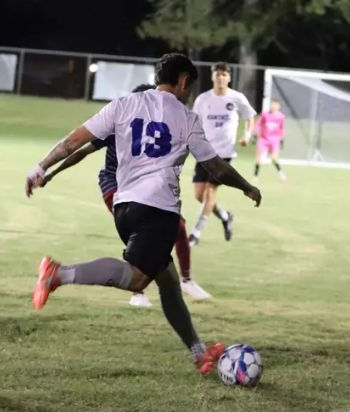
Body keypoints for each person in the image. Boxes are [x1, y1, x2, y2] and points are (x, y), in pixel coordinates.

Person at [25, 53, 261, 374]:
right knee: (137, 278)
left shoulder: (123, 105)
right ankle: (59, 274)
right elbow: (216, 168)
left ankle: (198, 352)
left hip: (124, 206)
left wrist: (41, 168)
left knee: (168, 281)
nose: (188, 93)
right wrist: (247, 187)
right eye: (189, 86)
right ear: (181, 82)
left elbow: (73, 141)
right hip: (158, 210)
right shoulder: (187, 118)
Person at [40, 84, 213, 304]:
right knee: (141, 230)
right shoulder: (121, 122)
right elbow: (81, 152)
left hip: (142, 189)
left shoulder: (157, 124)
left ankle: (185, 280)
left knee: (176, 227)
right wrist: (52, 173)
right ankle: (137, 292)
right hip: (115, 186)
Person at [188, 62, 256, 247]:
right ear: (212, 77)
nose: (220, 77)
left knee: (210, 192)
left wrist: (247, 134)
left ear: (229, 77)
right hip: (204, 152)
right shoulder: (202, 99)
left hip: (224, 155)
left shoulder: (237, 98)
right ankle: (226, 216)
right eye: (217, 74)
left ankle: (196, 233)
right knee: (199, 195)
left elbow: (250, 116)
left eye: (224, 74)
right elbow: (194, 123)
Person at [253, 98, 286, 182]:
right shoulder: (265, 114)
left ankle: (281, 174)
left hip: (274, 140)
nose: (273, 106)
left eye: (275, 104)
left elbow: (282, 128)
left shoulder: (281, 116)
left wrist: (282, 139)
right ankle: (255, 176)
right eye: (272, 104)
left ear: (279, 106)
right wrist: (255, 133)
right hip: (263, 139)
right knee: (258, 158)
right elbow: (258, 124)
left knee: (274, 158)